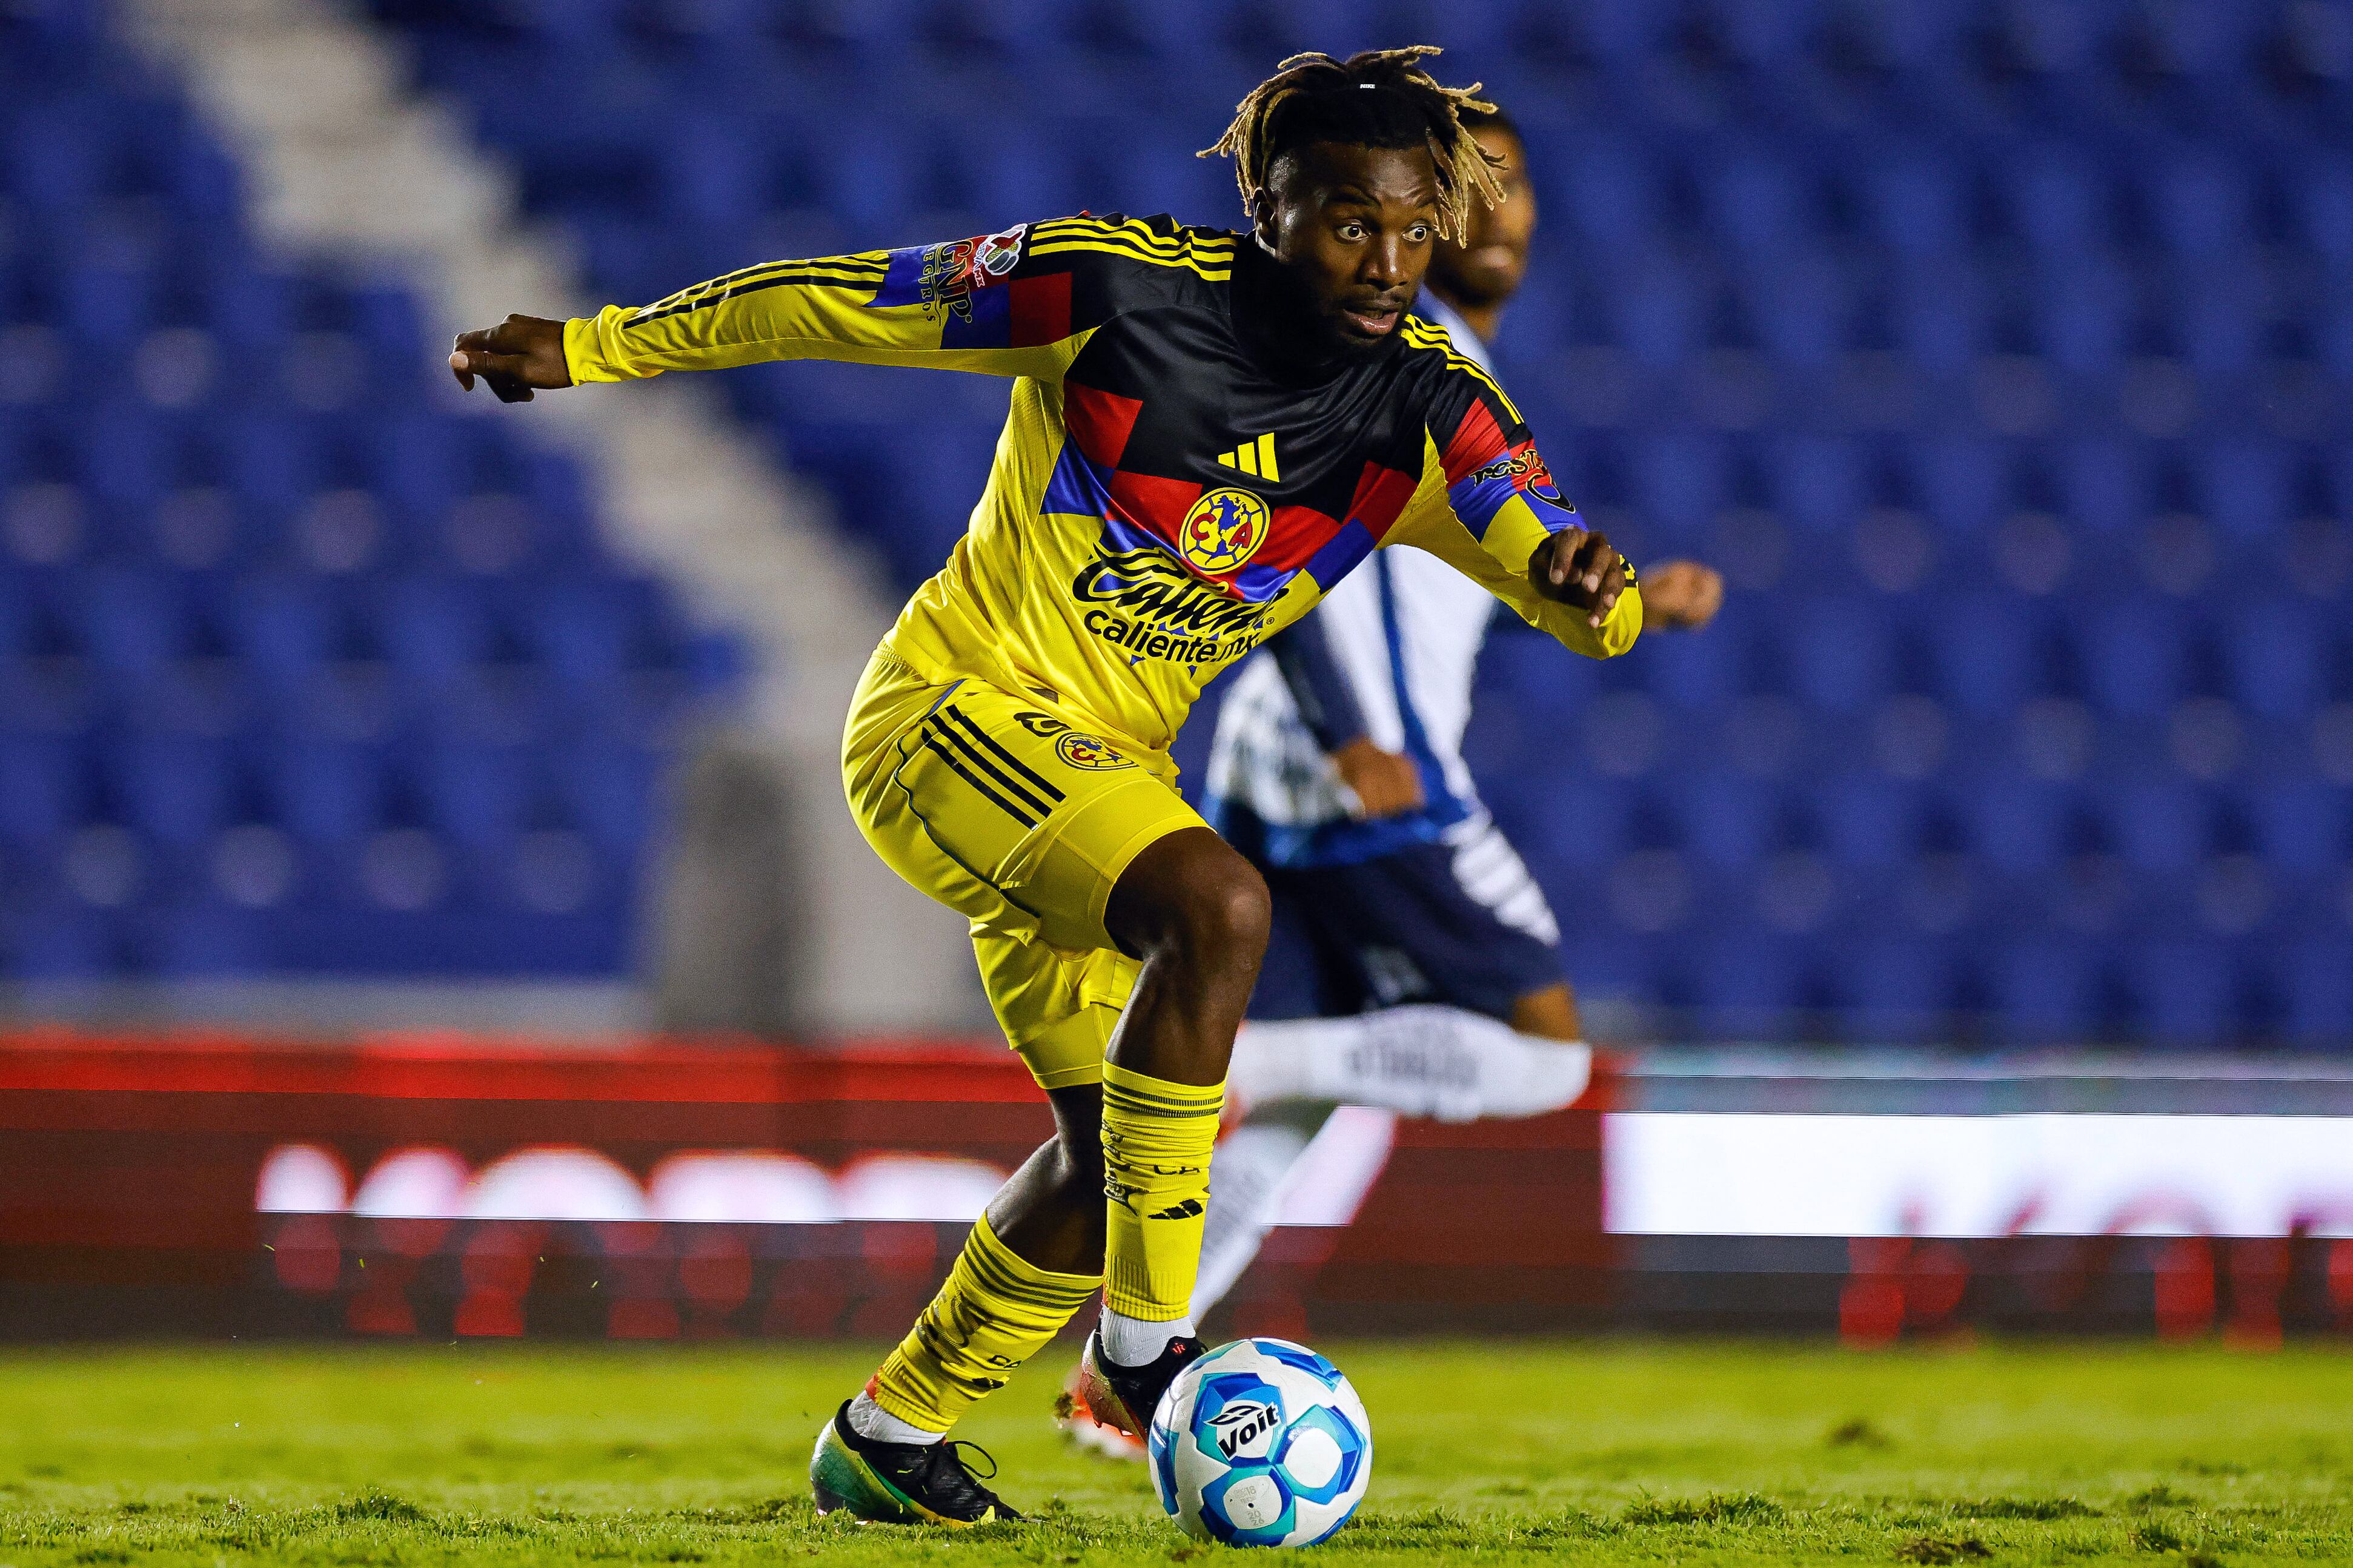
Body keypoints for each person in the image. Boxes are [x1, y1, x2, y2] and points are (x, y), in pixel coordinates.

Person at [448, 47, 1645, 1526]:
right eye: (1348, 221)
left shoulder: (1425, 407)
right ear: (1265, 207)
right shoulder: (1108, 291)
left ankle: (889, 1435)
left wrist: (1596, 590)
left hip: (1101, 785)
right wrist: (598, 345)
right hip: (950, 720)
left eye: (1413, 229)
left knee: (1110, 1161)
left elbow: (1556, 559)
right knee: (1217, 905)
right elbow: (835, 296)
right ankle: (1147, 1354)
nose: (1388, 261)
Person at [1053, 101, 1725, 1459]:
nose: (1501, 215)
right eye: (1471, 189)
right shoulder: (1397, 350)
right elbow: (1262, 532)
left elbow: (1466, 555)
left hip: (1281, 765)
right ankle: (1215, 1058)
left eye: (1515, 188)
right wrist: (1358, 727)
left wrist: (1632, 599)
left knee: (1298, 1122)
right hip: (1366, 774)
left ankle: (1116, 1389)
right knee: (1541, 1054)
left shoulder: (1441, 358)